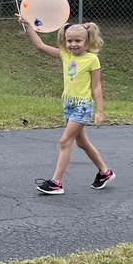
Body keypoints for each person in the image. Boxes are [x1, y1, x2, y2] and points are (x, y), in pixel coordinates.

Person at [20, 16, 114, 195]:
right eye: (69, 41)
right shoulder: (65, 55)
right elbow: (40, 45)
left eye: (78, 41)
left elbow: (96, 86)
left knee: (64, 141)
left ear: (87, 41)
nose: (73, 44)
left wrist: (99, 111)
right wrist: (28, 26)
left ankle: (56, 183)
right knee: (82, 143)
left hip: (82, 106)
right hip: (68, 104)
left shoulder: (92, 59)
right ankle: (105, 172)